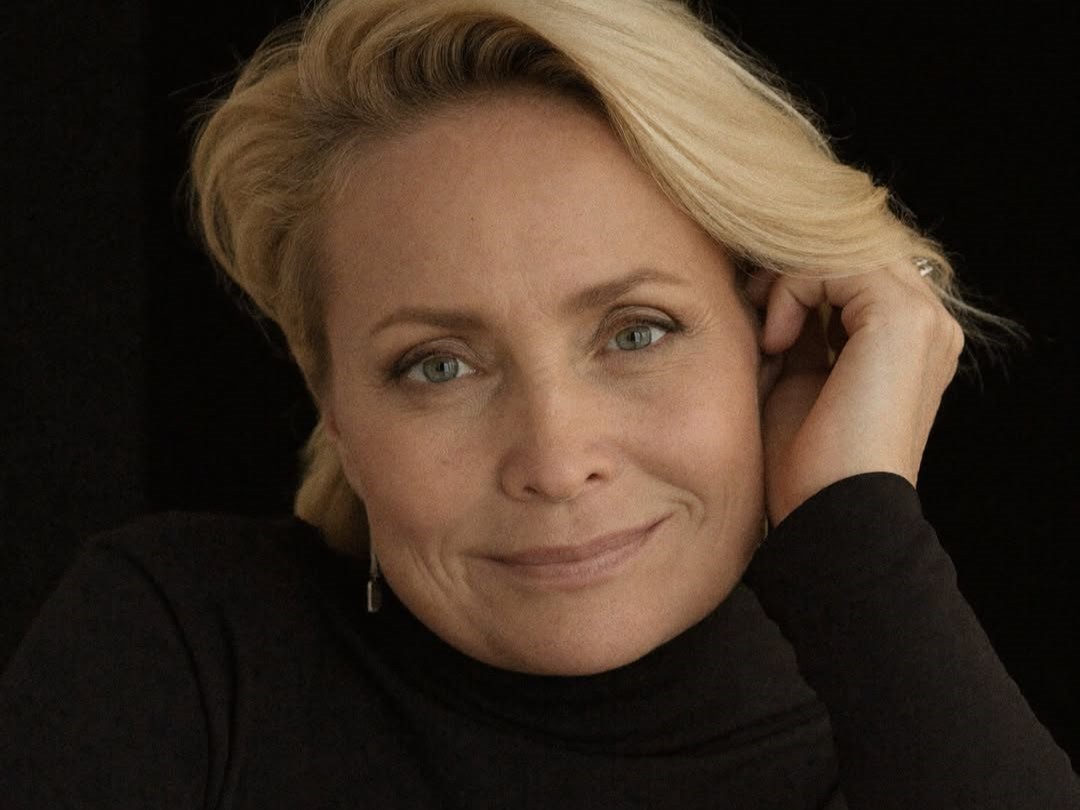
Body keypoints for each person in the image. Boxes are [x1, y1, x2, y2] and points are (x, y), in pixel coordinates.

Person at [2, 0, 1076, 806]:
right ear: (332, 405)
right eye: (438, 366)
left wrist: (856, 523)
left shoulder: (913, 738)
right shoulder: (181, 655)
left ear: (777, 339)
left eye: (636, 332)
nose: (557, 462)